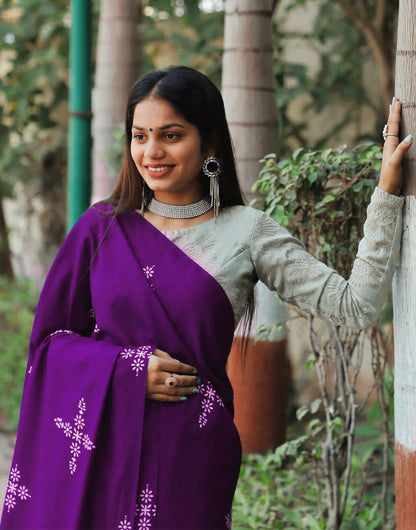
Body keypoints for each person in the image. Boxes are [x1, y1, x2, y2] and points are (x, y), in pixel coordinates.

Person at [1, 66, 412, 530]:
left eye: (171, 135)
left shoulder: (247, 232)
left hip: (189, 461)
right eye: (140, 136)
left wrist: (386, 193)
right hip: (102, 450)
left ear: (209, 142)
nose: (151, 152)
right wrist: (128, 371)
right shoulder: (102, 228)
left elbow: (355, 305)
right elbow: (50, 343)